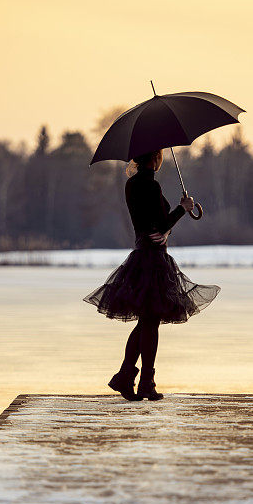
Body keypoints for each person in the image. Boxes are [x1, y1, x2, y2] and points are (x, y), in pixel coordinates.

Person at [83, 148, 220, 401]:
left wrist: (166, 230)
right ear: (155, 158)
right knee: (150, 322)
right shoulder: (150, 186)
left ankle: (128, 377)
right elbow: (159, 225)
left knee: (146, 322)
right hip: (152, 261)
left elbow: (151, 226)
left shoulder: (131, 185)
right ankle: (144, 382)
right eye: (160, 156)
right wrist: (183, 208)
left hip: (141, 256)